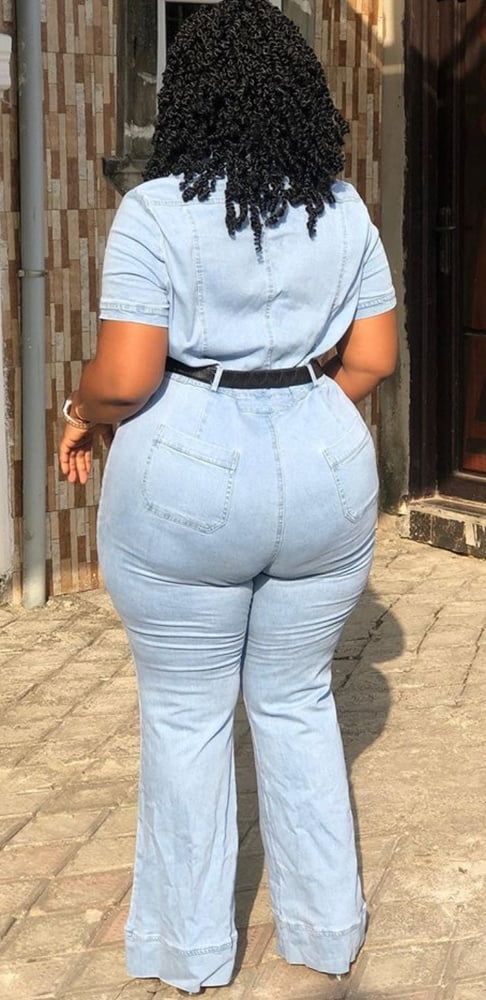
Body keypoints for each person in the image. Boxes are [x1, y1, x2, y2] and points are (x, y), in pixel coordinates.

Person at [59, 0, 398, 993]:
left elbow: (127, 377)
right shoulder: (344, 208)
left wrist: (78, 410)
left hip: (186, 483)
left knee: (187, 713)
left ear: (189, 101)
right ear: (301, 96)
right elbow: (373, 360)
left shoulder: (156, 212)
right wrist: (295, 414)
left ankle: (193, 949)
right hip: (327, 473)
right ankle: (326, 930)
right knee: (297, 698)